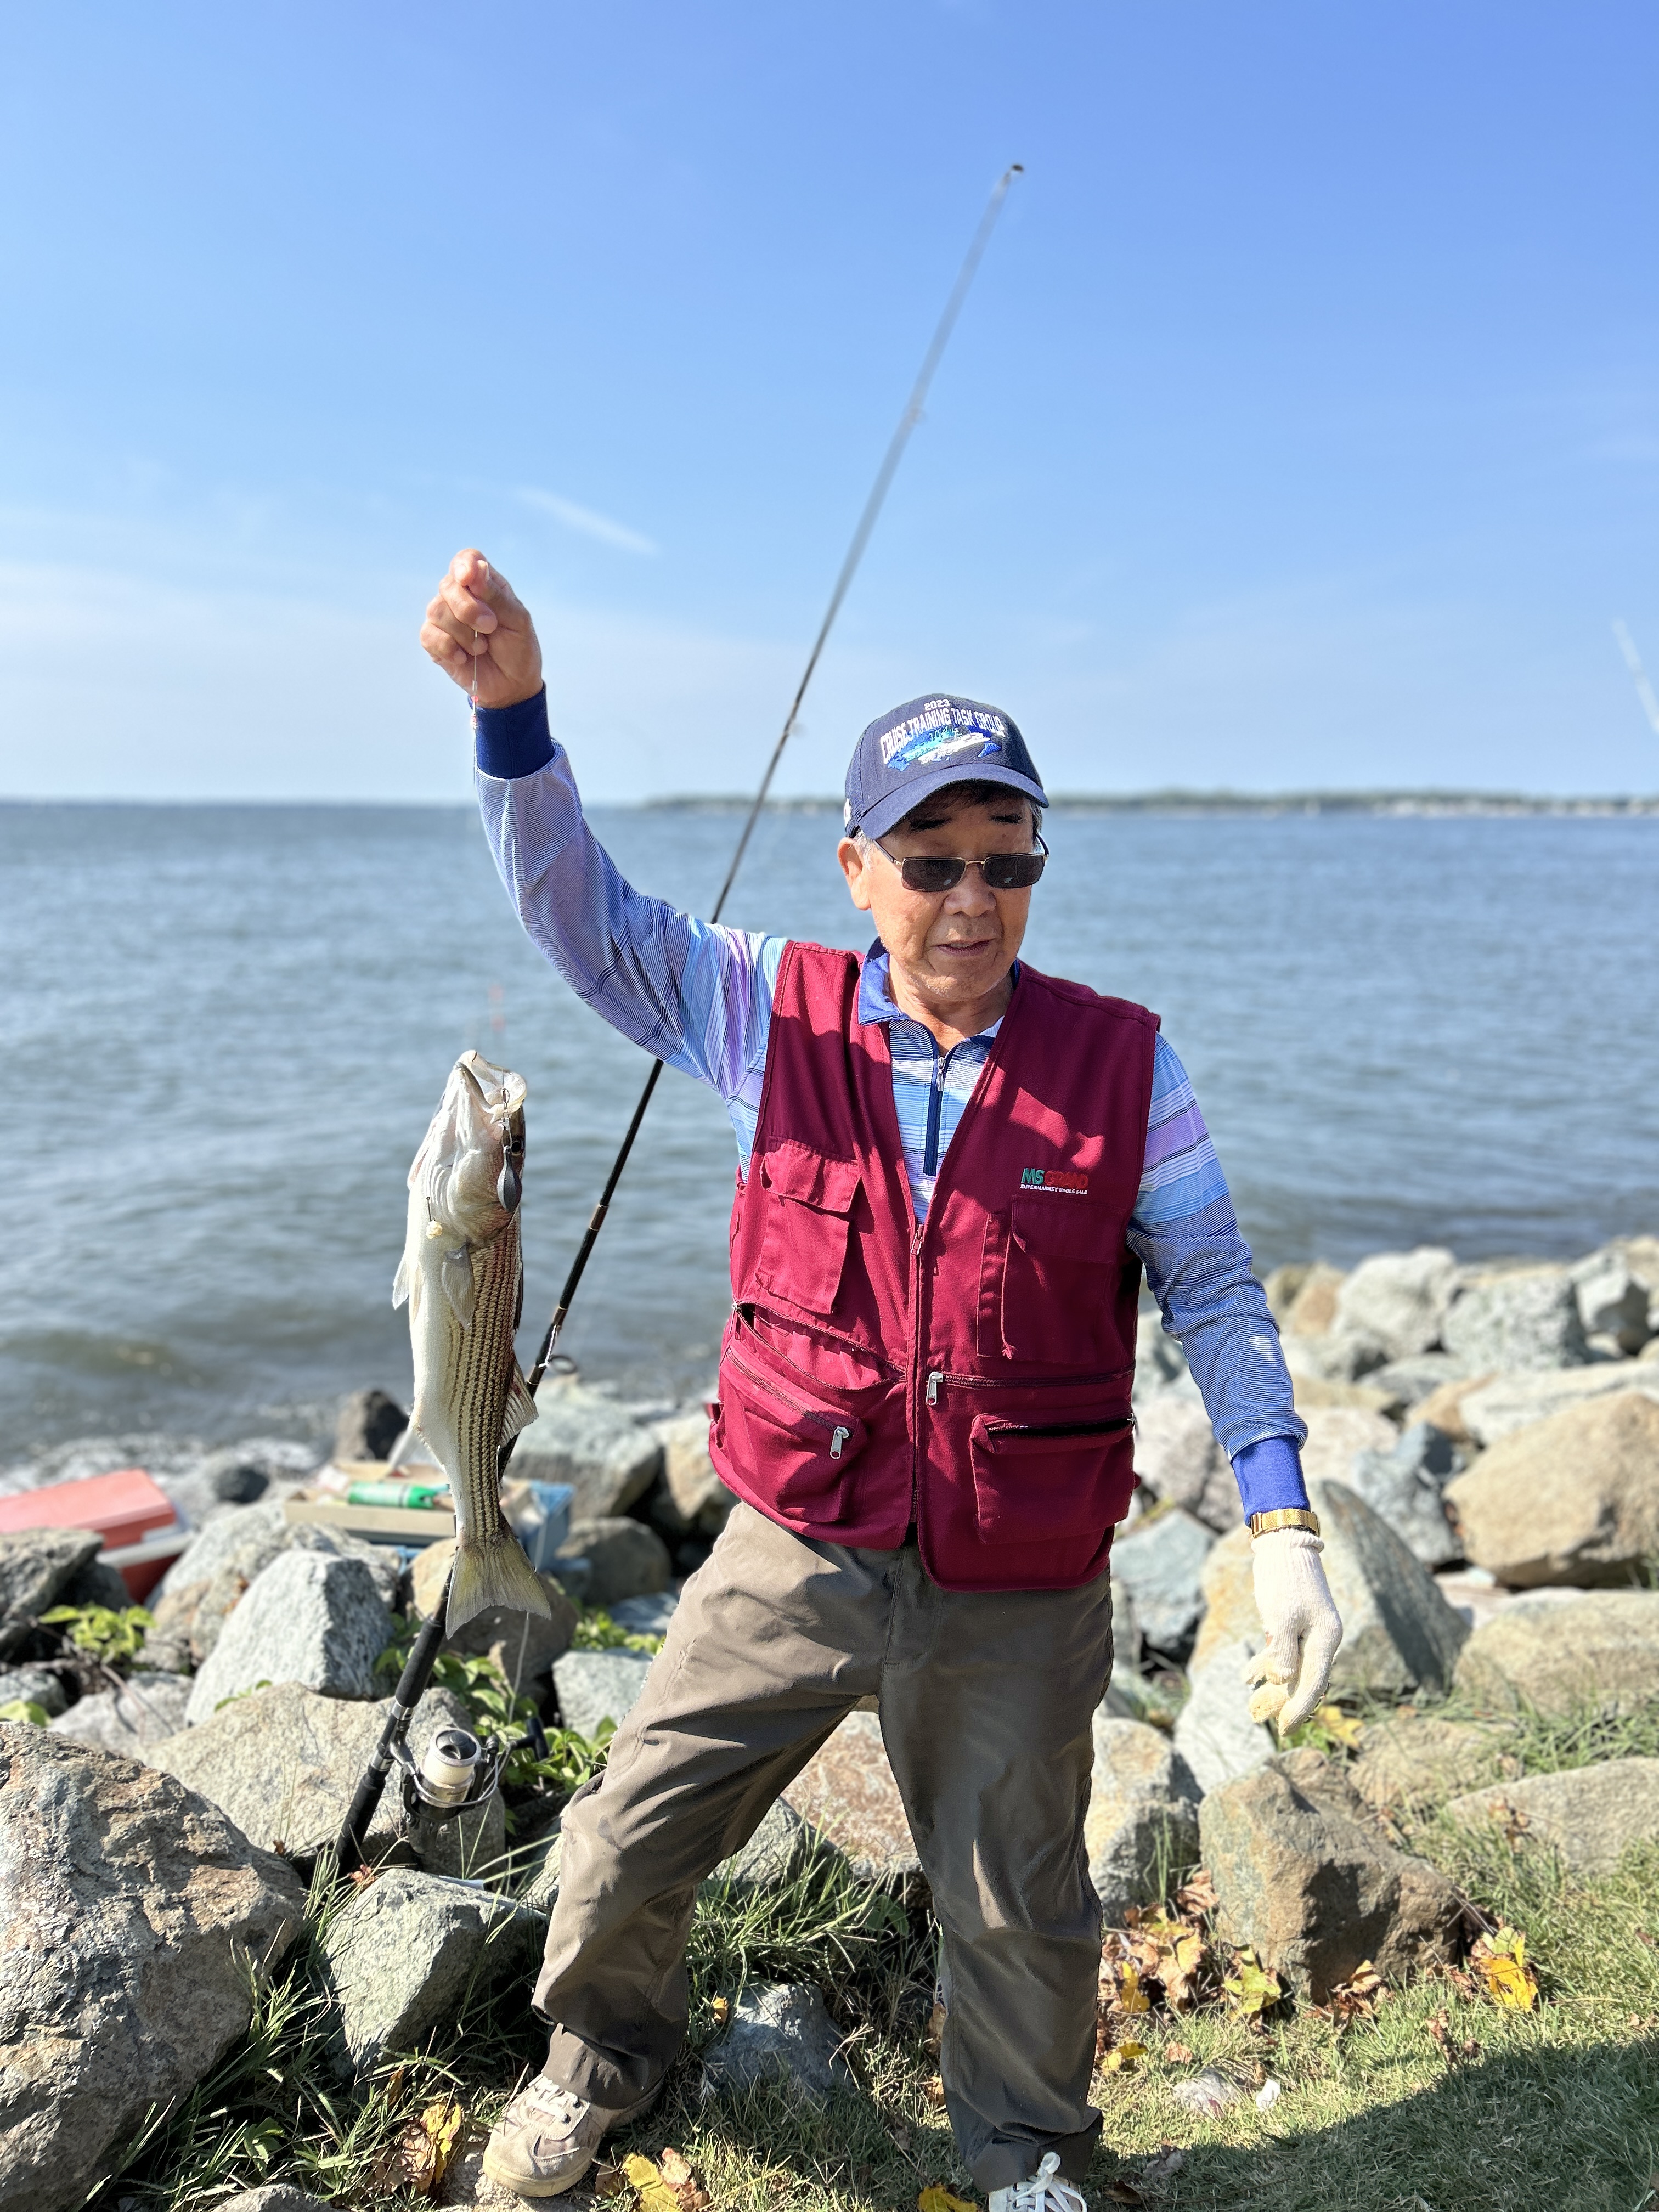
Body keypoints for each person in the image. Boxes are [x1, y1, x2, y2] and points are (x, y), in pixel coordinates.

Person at [420, 549, 1343, 2212]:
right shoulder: (764, 1012)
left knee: (1019, 1905)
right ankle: (599, 2061)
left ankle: (1029, 2152)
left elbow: (1212, 1286)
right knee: (630, 1830)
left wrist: (1281, 1524)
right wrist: (514, 718)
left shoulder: (1126, 1064)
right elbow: (582, 916)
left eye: (1008, 858)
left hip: (1018, 1570)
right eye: (931, 861)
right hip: (800, 1539)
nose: (972, 898)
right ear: (858, 869)